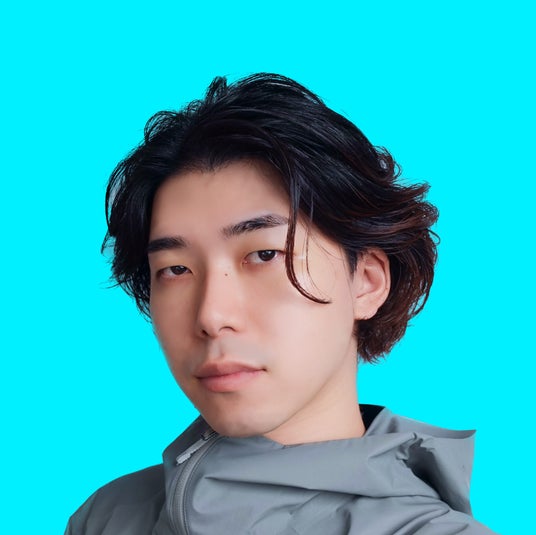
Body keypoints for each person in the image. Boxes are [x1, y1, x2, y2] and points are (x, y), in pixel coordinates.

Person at [65, 73, 496, 534]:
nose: (211, 315)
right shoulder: (108, 516)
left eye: (265, 255)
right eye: (175, 269)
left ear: (366, 282)